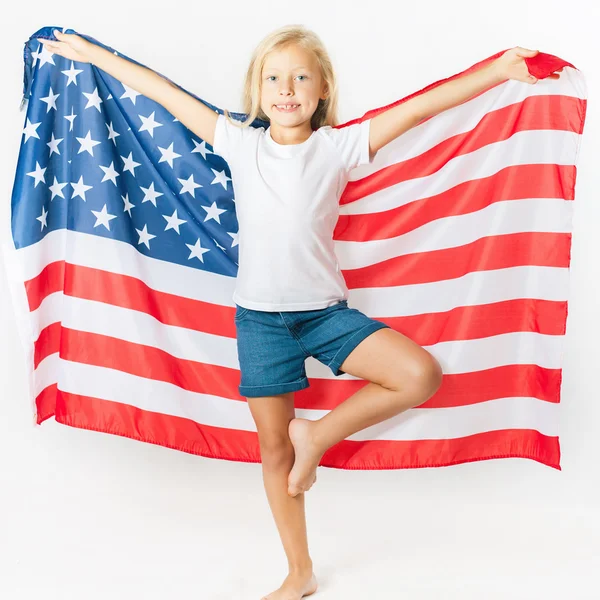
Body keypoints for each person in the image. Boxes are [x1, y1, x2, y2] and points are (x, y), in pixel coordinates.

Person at [38, 25, 562, 600]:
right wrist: (89, 54)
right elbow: (164, 93)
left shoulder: (338, 146)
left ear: (322, 90)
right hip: (260, 322)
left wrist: (497, 72)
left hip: (324, 315)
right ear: (257, 90)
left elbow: (418, 110)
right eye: (274, 78)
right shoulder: (238, 142)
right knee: (272, 450)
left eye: (300, 77)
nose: (286, 89)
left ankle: (319, 438)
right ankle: (299, 572)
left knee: (419, 374)